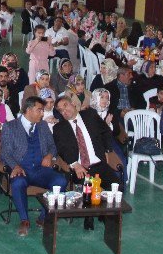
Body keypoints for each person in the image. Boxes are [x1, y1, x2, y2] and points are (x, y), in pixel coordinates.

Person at [53, 95, 129, 226]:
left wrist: (107, 150)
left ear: (73, 104)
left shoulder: (89, 115)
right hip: (82, 168)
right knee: (88, 187)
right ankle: (89, 216)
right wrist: (74, 164)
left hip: (98, 163)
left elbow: (105, 132)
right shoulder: (59, 128)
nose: (64, 111)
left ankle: (105, 214)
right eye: (60, 110)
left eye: (65, 106)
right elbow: (62, 150)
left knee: (117, 185)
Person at [0, 96, 67, 237]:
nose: (43, 113)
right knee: (18, 183)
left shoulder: (42, 126)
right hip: (21, 169)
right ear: (28, 110)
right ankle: (24, 220)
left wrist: (49, 156)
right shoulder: (10, 127)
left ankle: (43, 218)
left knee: (61, 181)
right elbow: (5, 153)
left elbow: (52, 146)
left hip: (40, 170)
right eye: (39, 110)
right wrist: (15, 166)